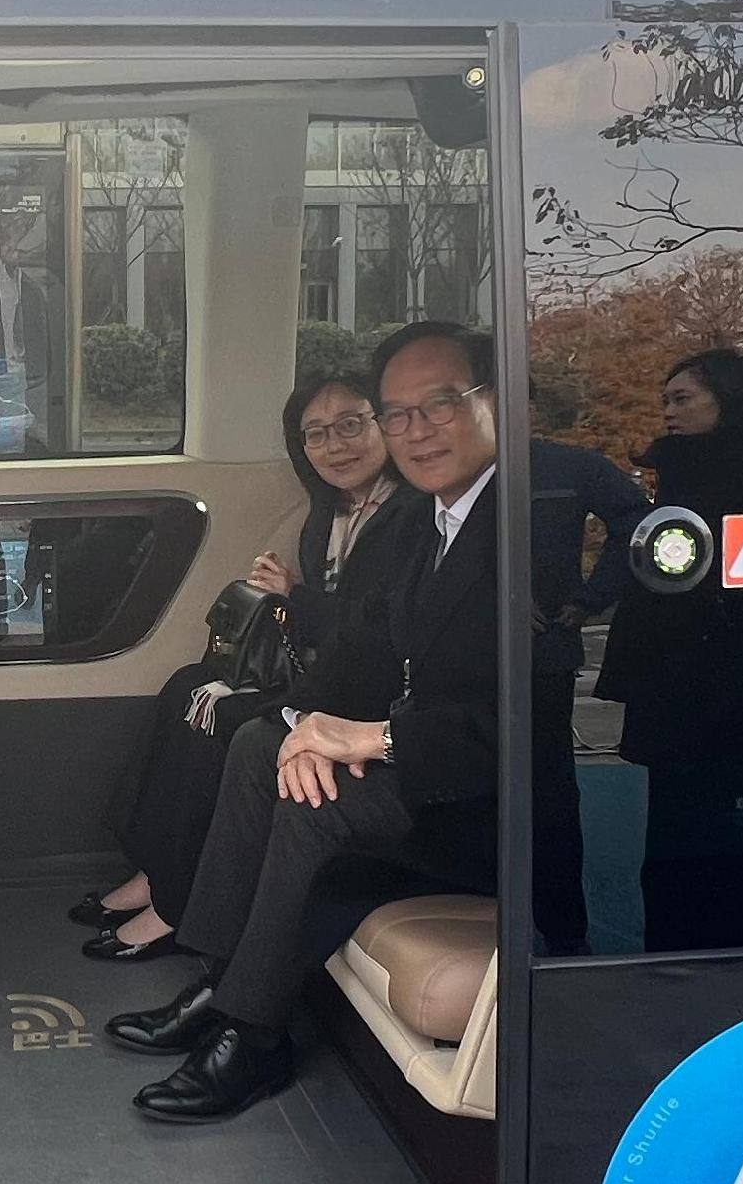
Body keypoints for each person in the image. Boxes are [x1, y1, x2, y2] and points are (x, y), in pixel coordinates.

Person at [110, 323, 504, 1123]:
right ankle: (222, 980)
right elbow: (363, 647)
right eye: (399, 414)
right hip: (429, 766)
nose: (416, 429)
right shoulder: (435, 520)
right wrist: (299, 720)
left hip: (486, 804)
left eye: (441, 404)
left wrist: (369, 738)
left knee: (310, 796)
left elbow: (519, 725)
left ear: (499, 401)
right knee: (262, 744)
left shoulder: (526, 515)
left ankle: (255, 1034)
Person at [78, 373, 417, 964]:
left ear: (384, 422)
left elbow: (376, 636)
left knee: (232, 720)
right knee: (187, 686)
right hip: (327, 674)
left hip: (366, 697)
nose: (335, 445)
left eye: (351, 424)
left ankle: (177, 901)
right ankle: (155, 870)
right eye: (315, 434)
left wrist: (296, 596)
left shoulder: (409, 516)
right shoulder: (329, 514)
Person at [599, 349, 743, 953]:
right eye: (665, 400)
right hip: (677, 683)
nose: (668, 412)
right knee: (676, 829)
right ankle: (673, 955)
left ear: (729, 400)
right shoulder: (679, 473)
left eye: (682, 398)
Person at [525, 384, 650, 955]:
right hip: (451, 660)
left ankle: (563, 928)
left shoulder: (569, 466)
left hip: (541, 655)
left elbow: (639, 524)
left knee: (548, 794)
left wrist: (591, 597)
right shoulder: (437, 474)